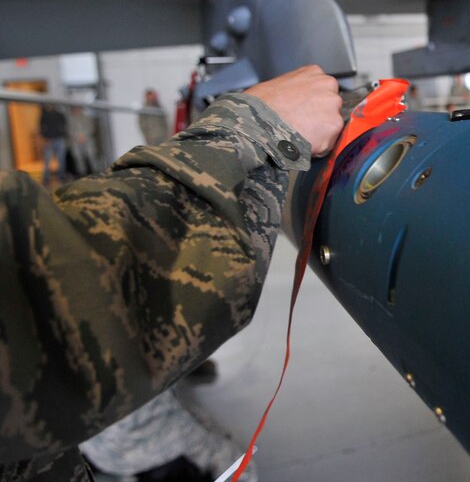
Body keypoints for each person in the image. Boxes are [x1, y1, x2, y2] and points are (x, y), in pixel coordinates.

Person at [0, 65, 343, 482]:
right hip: (91, 421)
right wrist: (252, 128)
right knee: (232, 468)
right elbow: (48, 293)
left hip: (58, 437)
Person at [38, 103, 68, 185]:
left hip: (59, 139)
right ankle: (46, 178)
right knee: (47, 161)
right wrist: (46, 138)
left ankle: (61, 176)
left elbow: (65, 126)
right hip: (49, 141)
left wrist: (62, 135)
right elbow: (41, 127)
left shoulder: (60, 115)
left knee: (61, 159)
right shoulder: (44, 115)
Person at [67, 106, 101, 177]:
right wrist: (77, 137)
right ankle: (82, 173)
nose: (75, 111)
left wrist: (85, 136)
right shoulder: (70, 119)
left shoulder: (87, 117)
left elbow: (92, 127)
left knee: (92, 155)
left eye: (77, 109)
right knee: (78, 157)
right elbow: (69, 130)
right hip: (76, 141)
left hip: (88, 140)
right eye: (74, 109)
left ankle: (96, 171)